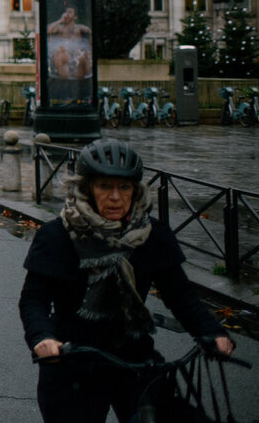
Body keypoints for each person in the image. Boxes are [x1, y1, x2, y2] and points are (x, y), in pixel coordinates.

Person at [19, 139, 234, 422]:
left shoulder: (150, 234)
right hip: (72, 360)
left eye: (124, 187)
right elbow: (34, 299)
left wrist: (211, 331)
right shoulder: (57, 236)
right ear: (86, 188)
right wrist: (43, 338)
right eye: (105, 186)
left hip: (134, 359)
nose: (116, 197)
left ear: (135, 190)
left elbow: (180, 294)